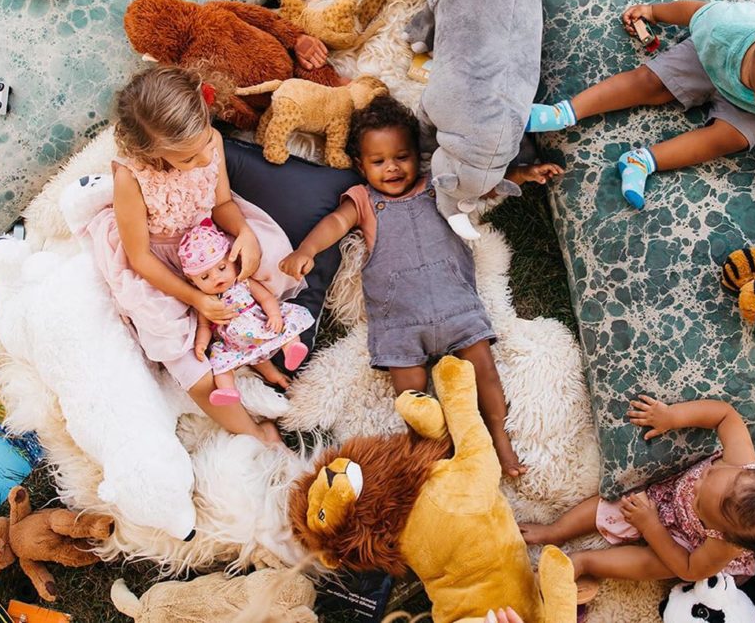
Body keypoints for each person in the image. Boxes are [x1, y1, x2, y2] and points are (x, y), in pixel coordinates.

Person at [279, 95, 562, 476]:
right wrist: (307, 250)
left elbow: (481, 189)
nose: (392, 168)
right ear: (361, 166)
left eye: (402, 157)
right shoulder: (363, 202)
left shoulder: (437, 186)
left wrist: (522, 174)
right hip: (401, 325)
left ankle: (499, 438)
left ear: (417, 155)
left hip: (456, 308)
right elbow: (335, 223)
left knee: (485, 373)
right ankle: (430, 453)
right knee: (412, 400)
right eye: (379, 161)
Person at [83, 66, 305, 446]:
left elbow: (222, 203)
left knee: (263, 275)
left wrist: (244, 233)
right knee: (189, 359)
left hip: (209, 240)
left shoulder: (210, 142)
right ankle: (255, 433)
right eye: (188, 158)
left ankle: (255, 351)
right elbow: (140, 258)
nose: (204, 159)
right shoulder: (131, 179)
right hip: (162, 264)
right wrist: (196, 299)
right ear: (150, 152)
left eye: (204, 143)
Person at [527, 0, 755, 209]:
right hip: (710, 60)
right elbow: (691, 11)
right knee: (648, 82)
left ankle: (642, 161)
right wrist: (653, 12)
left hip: (742, 112)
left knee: (731, 138)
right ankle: (566, 111)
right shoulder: (725, 25)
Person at [518, 397, 755, 593]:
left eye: (699, 503)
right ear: (742, 471)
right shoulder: (741, 459)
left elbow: (688, 569)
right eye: (708, 475)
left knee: (655, 565)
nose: (695, 487)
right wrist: (672, 416)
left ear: (721, 532)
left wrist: (651, 526)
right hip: (665, 497)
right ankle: (556, 531)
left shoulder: (724, 547)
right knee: (617, 503)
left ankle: (584, 562)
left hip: (685, 546)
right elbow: (725, 415)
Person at [178, 219, 314, 407]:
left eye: (222, 268)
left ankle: (291, 349)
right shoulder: (206, 301)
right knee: (218, 363)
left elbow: (266, 298)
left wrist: (274, 315)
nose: (216, 277)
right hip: (235, 345)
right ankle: (228, 390)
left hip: (261, 323)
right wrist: (201, 344)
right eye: (205, 277)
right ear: (193, 282)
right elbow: (203, 326)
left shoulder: (244, 283)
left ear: (232, 262)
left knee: (287, 325)